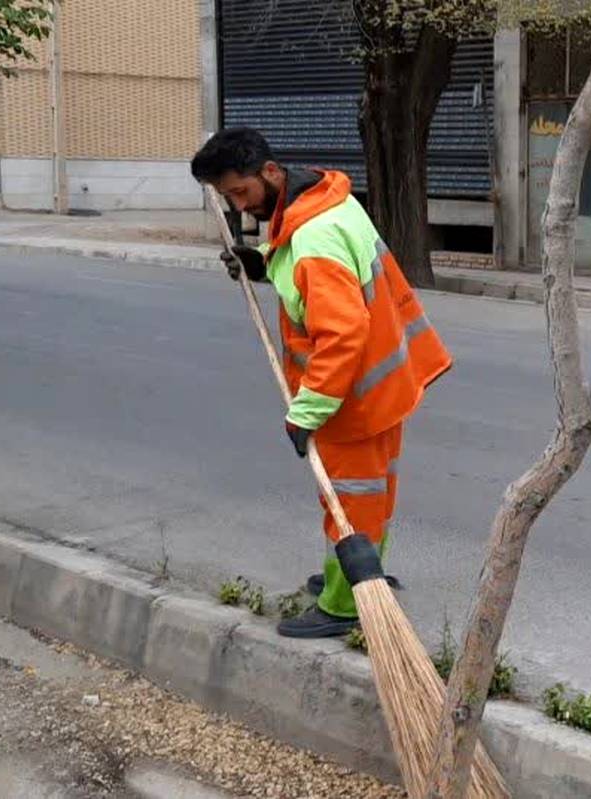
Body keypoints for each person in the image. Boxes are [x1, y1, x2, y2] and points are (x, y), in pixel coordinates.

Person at [190, 128, 452, 638]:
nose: (240, 206)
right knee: (368, 495)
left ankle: (343, 604)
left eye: (241, 192)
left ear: (270, 172)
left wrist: (305, 413)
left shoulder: (312, 237)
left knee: (349, 501)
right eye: (227, 198)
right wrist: (263, 264)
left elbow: (341, 332)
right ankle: (359, 574)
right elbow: (323, 284)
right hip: (383, 383)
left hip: (351, 398)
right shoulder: (327, 200)